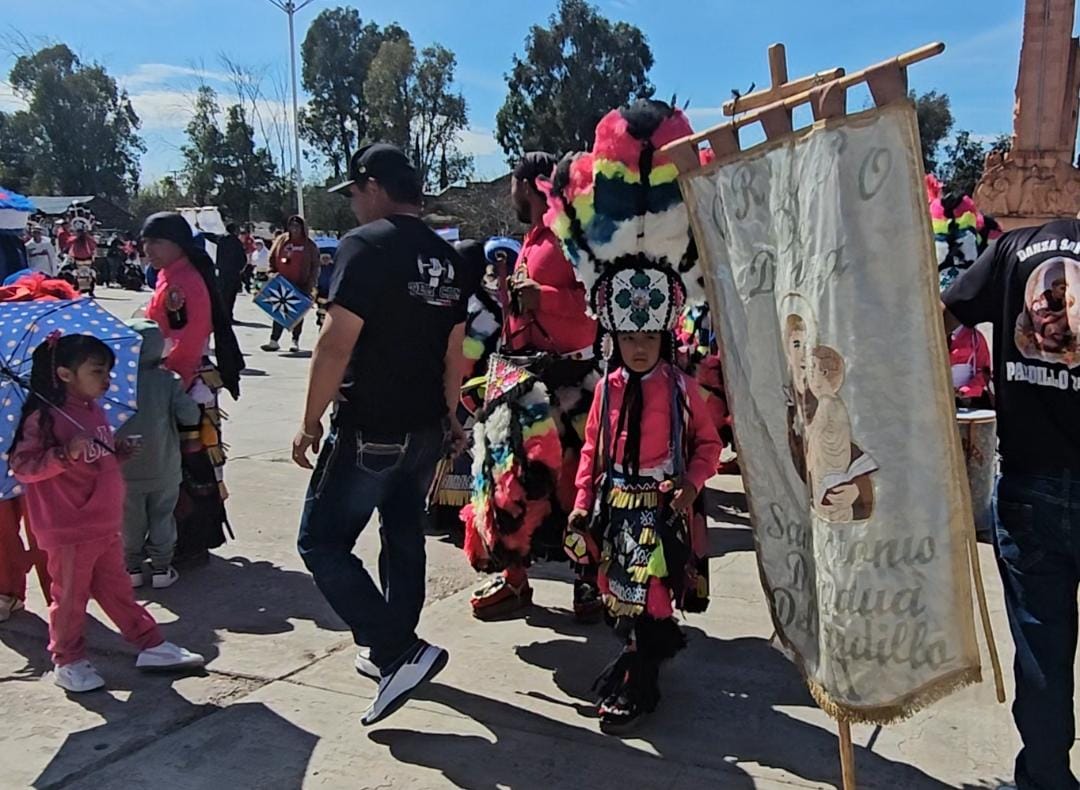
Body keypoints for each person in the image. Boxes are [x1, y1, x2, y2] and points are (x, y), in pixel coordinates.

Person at [293, 143, 476, 726]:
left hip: (372, 426)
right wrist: (451, 417)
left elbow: (335, 340)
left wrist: (307, 420)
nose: (351, 206)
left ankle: (397, 649)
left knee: (321, 543)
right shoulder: (444, 257)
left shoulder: (364, 246)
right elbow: (456, 352)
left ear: (372, 186)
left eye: (352, 194)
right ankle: (393, 649)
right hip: (424, 427)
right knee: (403, 538)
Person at [944, 217, 1080, 790]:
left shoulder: (1013, 249)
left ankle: (1047, 779)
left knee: (1042, 648)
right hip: (1033, 482)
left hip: (1030, 481)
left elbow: (938, 317)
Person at [9, 334, 204, 693]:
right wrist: (64, 454)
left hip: (103, 523)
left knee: (116, 591)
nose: (106, 380)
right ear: (65, 374)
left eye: (108, 372)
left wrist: (117, 451)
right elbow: (24, 467)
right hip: (69, 528)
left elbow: (95, 455)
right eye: (97, 371)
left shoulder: (90, 408)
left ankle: (150, 643)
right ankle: (67, 660)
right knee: (69, 598)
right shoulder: (44, 417)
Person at [463, 151, 602, 623]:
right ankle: (515, 580)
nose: (510, 192)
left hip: (570, 382)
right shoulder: (531, 240)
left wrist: (540, 297)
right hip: (522, 380)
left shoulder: (572, 237)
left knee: (576, 487)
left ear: (528, 184)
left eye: (513, 183)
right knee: (511, 485)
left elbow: (595, 304)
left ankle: (588, 586)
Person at [570, 330, 719, 732]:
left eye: (649, 339)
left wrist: (692, 483)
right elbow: (592, 450)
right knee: (614, 590)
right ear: (614, 340)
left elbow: (709, 444)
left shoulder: (681, 389)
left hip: (661, 505)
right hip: (616, 503)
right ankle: (636, 651)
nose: (639, 349)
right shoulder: (606, 387)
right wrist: (583, 501)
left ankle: (640, 679)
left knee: (652, 595)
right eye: (630, 338)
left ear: (663, 341)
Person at [141, 212, 243, 565]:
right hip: (176, 380)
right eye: (145, 241)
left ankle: (193, 540)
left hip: (185, 384)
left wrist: (170, 388)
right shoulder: (170, 276)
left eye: (156, 241)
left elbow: (187, 339)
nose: (148, 249)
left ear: (177, 244)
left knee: (191, 463)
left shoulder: (182, 283)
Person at [117, 319, 200, 589]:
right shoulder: (168, 380)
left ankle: (132, 568)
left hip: (126, 468)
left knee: (130, 520)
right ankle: (162, 568)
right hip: (164, 466)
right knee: (163, 515)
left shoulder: (116, 381)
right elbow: (189, 414)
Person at [262, 216, 318, 352]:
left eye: (297, 226)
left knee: (297, 313)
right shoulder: (282, 240)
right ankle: (274, 341)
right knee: (279, 312)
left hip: (300, 284)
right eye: (292, 225)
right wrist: (271, 273)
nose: (294, 228)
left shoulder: (309, 245)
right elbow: (272, 257)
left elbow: (315, 266)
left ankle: (295, 340)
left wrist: (310, 284)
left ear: (302, 228)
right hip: (282, 283)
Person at [950, 325, 993, 409]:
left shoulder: (975, 338)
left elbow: (983, 372)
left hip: (965, 400)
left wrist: (965, 391)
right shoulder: (930, 334)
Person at [214, 223, 248, 325]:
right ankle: (228, 317)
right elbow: (242, 258)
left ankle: (222, 317)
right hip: (233, 274)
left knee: (223, 296)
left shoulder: (221, 239)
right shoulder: (236, 241)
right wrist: (240, 269)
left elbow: (210, 236)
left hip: (222, 273)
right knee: (230, 297)